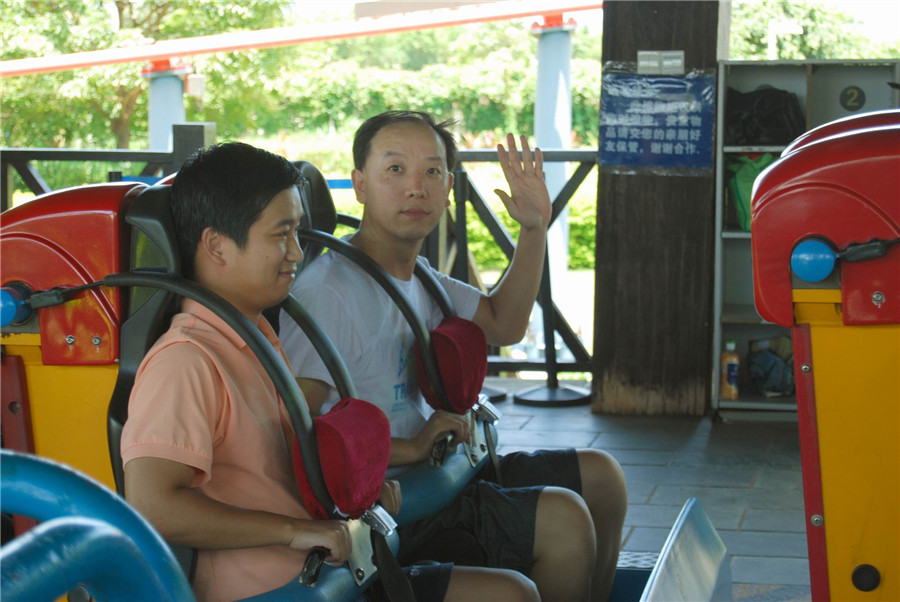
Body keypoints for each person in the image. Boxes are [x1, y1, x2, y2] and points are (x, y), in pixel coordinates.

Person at [120, 142, 539, 602]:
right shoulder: (185, 360)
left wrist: (356, 490)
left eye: (297, 233)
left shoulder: (254, 337)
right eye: (281, 235)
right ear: (216, 245)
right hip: (280, 592)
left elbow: (282, 466)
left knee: (511, 592)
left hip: (331, 577)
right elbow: (154, 506)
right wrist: (293, 530)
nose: (296, 253)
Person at [280, 111, 628, 602]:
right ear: (359, 184)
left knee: (603, 478)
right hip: (393, 502)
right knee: (564, 523)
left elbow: (503, 323)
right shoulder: (328, 292)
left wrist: (534, 229)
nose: (415, 188)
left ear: (448, 188)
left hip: (438, 478)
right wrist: (411, 448)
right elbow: (298, 431)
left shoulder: (417, 276)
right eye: (395, 169)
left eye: (432, 171)